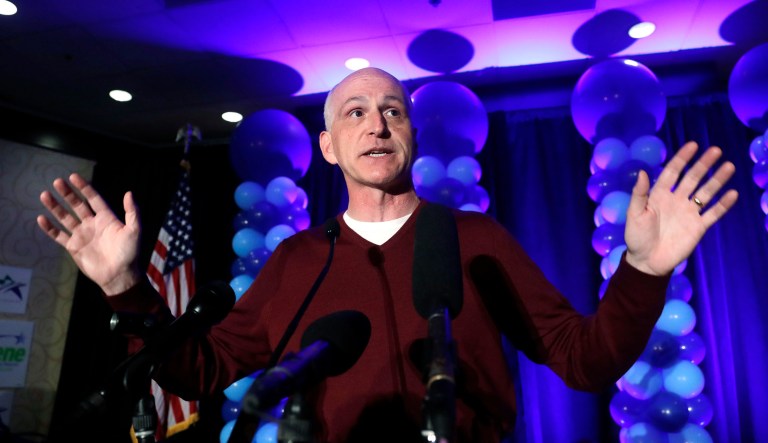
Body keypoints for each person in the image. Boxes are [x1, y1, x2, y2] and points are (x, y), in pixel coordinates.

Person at [37, 67, 738, 442]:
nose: (378, 121)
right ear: (329, 148)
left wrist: (645, 270)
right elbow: (201, 369)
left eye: (394, 110)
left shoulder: (476, 239)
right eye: (355, 111)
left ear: (412, 136)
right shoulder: (296, 261)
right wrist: (128, 287)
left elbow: (586, 360)